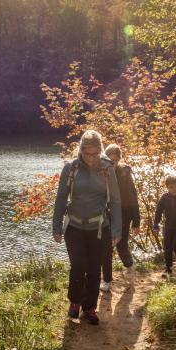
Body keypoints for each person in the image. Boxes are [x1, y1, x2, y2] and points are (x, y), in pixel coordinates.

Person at [52, 130, 122, 325]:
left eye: (94, 154)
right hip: (74, 226)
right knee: (78, 265)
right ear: (80, 150)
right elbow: (60, 199)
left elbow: (115, 201)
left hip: (99, 227)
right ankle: (75, 302)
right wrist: (56, 226)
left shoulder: (107, 169)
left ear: (100, 151)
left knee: (93, 268)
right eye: (86, 153)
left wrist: (117, 230)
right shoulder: (71, 168)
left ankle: (89, 307)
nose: (90, 158)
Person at [100, 144, 141, 292]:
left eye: (115, 161)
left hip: (124, 214)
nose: (113, 163)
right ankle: (107, 279)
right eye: (110, 160)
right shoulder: (100, 171)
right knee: (106, 247)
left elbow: (133, 197)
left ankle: (129, 266)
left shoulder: (124, 173)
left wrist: (136, 221)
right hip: (107, 214)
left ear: (119, 160)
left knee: (121, 244)